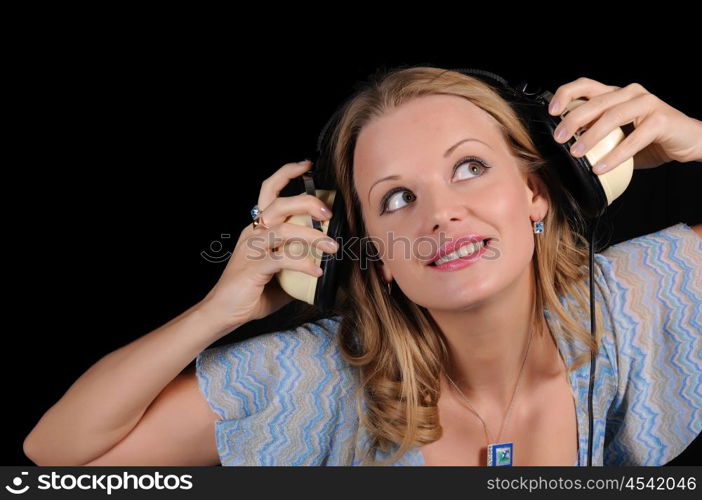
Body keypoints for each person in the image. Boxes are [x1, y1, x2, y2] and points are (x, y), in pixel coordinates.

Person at [23, 66, 702, 466]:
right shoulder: (318, 377)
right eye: (398, 198)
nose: (441, 215)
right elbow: (56, 456)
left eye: (470, 167)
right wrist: (216, 312)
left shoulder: (643, 299)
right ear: (371, 254)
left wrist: (698, 141)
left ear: (537, 193)